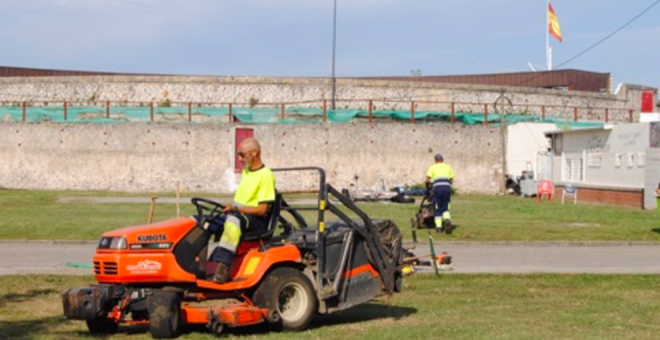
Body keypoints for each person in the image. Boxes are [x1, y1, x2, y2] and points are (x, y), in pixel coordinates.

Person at [205, 137, 276, 283]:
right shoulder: (247, 172)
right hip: (239, 214)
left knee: (233, 221)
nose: (239, 159)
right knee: (203, 221)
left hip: (256, 220)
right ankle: (194, 264)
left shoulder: (266, 175)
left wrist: (236, 209)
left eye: (242, 155)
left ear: (254, 153)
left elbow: (263, 210)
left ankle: (222, 269)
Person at [425, 153, 454, 233]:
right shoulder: (448, 167)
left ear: (435, 160)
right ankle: (447, 219)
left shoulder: (432, 167)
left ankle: (439, 227)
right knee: (445, 207)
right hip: (447, 188)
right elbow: (451, 180)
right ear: (442, 160)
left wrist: (427, 186)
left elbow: (427, 180)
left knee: (437, 208)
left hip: (437, 188)